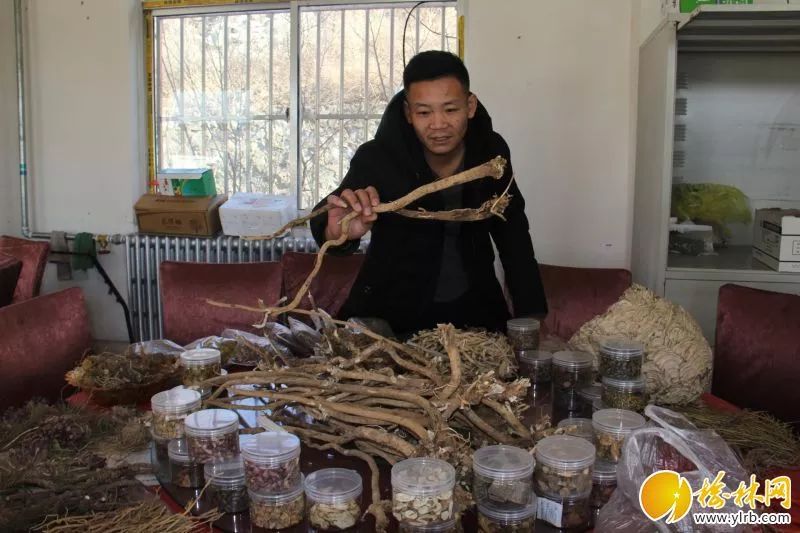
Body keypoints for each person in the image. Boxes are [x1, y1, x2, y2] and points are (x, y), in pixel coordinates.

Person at [310, 50, 547, 337]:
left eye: (450, 109)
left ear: (470, 106)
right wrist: (338, 232)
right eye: (424, 112)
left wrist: (531, 316)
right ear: (409, 113)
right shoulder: (379, 157)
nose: (438, 124)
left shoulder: (491, 153)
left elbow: (514, 233)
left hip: (475, 316)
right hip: (390, 317)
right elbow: (331, 216)